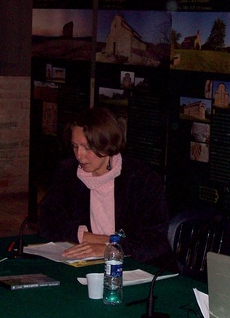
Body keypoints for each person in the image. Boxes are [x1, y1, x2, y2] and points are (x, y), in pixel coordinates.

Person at [38, 107, 176, 270]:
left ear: (107, 143)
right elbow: (48, 223)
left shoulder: (141, 179)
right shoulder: (67, 172)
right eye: (75, 146)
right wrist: (89, 238)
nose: (79, 155)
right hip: (86, 264)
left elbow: (154, 241)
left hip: (139, 267)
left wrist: (109, 248)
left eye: (87, 147)